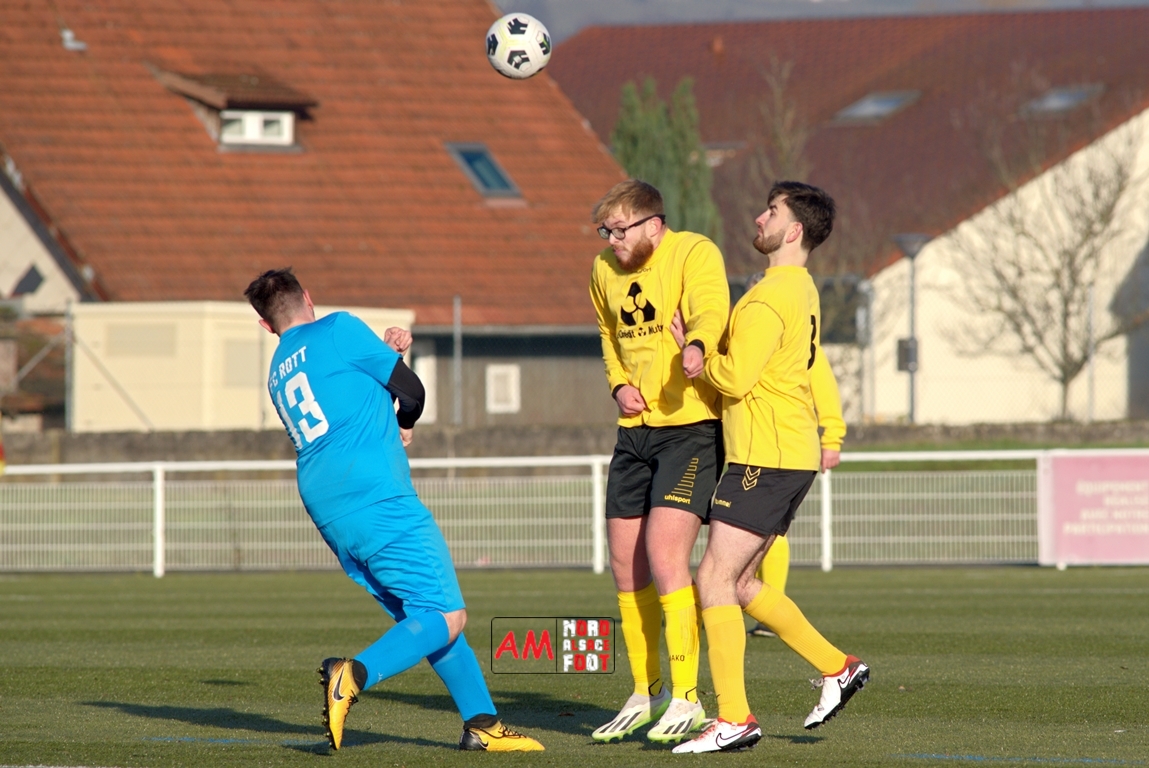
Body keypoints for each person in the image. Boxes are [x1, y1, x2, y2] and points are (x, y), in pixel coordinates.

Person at [244, 268, 543, 753]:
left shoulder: (278, 370)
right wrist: (405, 418)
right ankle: (353, 674)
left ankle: (482, 724)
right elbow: (414, 392)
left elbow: (350, 403)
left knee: (423, 616)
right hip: (377, 496)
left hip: (330, 510)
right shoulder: (338, 327)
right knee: (446, 612)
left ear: (265, 325)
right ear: (309, 297)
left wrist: (387, 372)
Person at [669, 182, 869, 754]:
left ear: (794, 230)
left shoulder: (765, 298)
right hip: (788, 454)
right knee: (742, 583)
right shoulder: (801, 287)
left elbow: (735, 379)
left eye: (772, 211)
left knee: (712, 579)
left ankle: (733, 718)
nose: (760, 217)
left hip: (764, 456)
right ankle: (838, 668)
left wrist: (698, 359)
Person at [587, 179, 730, 743]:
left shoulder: (694, 251)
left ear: (654, 223)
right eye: (606, 231)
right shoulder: (603, 269)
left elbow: (712, 309)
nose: (612, 240)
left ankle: (687, 696)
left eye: (620, 230)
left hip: (690, 429)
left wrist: (697, 345)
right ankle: (644, 692)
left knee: (666, 556)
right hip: (634, 433)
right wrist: (618, 385)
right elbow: (608, 334)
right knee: (625, 566)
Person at [748, 348, 845, 638]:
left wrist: (832, 438)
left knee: (767, 526)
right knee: (745, 527)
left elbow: (823, 385)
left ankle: (768, 611)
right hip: (743, 443)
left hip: (779, 446)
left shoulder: (802, 337)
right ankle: (752, 607)